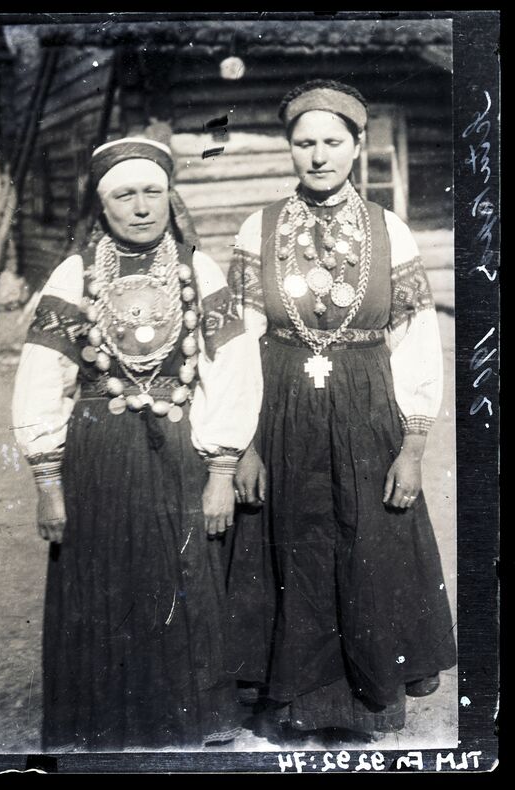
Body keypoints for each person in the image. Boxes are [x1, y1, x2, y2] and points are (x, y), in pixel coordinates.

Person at [12, 137, 262, 751]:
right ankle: (101, 725)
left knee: (182, 576)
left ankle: (188, 722)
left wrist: (221, 470)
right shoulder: (74, 275)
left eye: (154, 192)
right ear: (102, 205)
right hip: (97, 452)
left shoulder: (197, 271)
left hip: (179, 447)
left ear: (170, 196)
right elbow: (43, 377)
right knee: (99, 579)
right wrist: (48, 481)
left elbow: (231, 371)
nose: (142, 207)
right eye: (125, 195)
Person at [226, 80, 457, 740]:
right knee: (293, 546)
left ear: (357, 146)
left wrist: (413, 445)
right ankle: (295, 703)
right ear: (289, 149)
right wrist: (243, 444)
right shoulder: (257, 229)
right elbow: (238, 341)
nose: (319, 156)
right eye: (305, 143)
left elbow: (416, 339)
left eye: (333, 142)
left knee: (365, 539)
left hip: (367, 409)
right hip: (281, 409)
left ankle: (369, 699)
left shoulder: (389, 231)